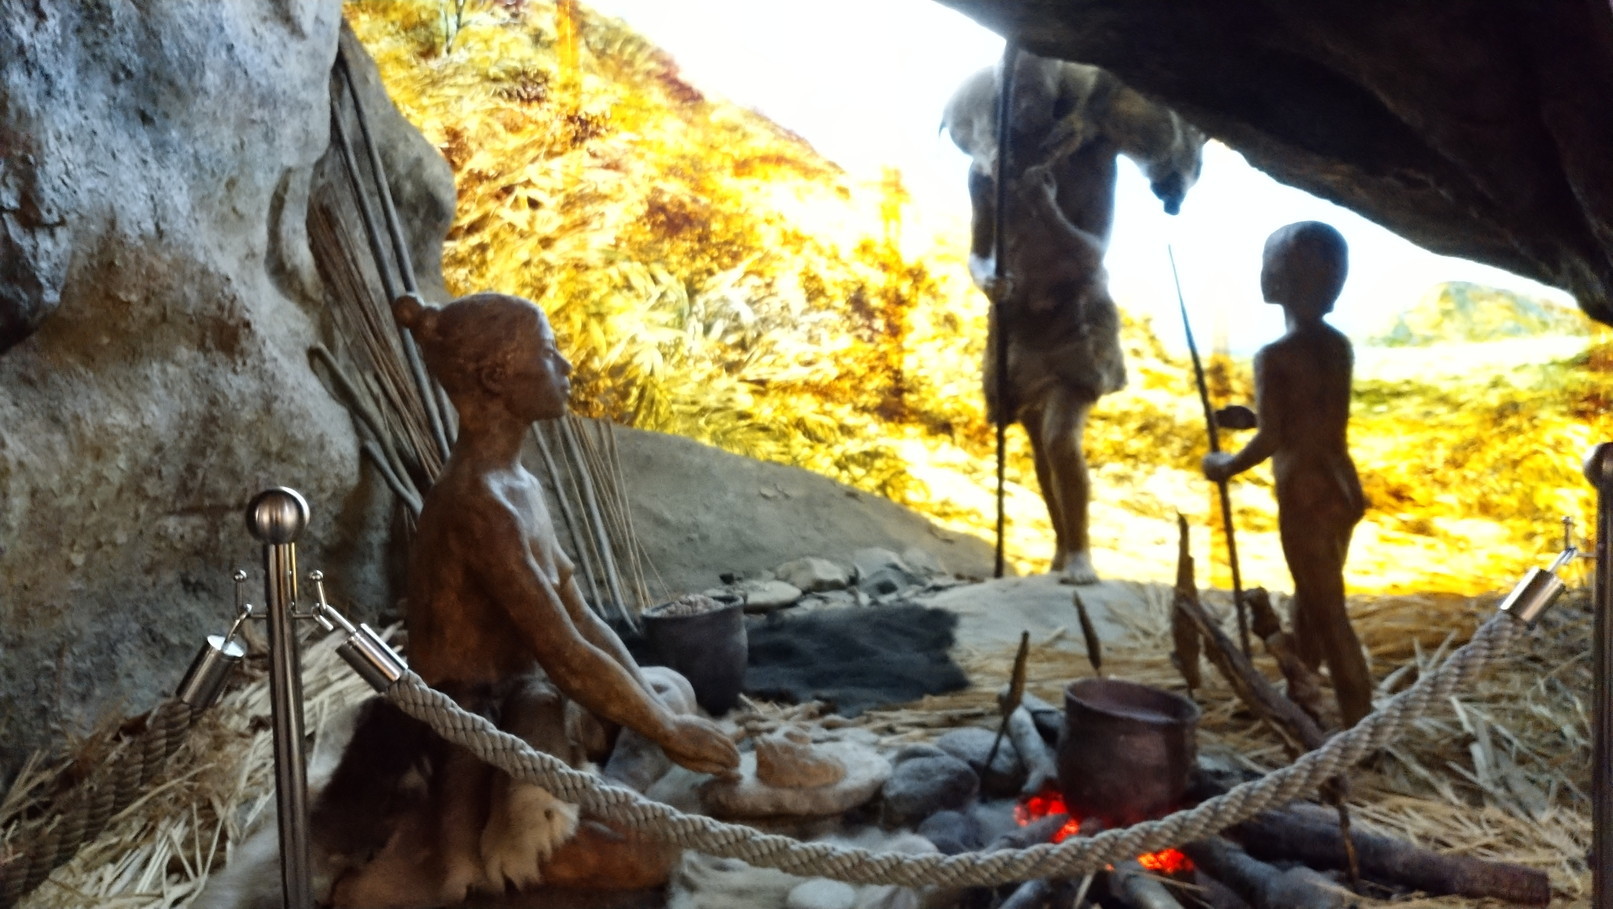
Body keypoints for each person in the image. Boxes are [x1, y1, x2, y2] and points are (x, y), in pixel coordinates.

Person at [1201, 222, 1373, 726]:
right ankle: (1305, 694)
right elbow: (1310, 420)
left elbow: (1275, 440)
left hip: (1306, 494)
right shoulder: (1335, 346)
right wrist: (1251, 419)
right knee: (1311, 599)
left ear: (1282, 278)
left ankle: (1362, 724)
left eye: (1268, 264)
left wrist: (1224, 466)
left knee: (1329, 613)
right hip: (1342, 488)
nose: (1261, 274)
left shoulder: (1274, 355)